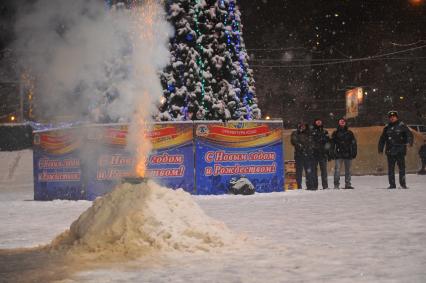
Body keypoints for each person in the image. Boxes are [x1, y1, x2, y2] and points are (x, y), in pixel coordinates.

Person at [378, 110, 414, 189]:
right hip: (390, 151)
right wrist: (380, 149)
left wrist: (409, 142)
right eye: (390, 117)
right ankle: (392, 185)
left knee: (402, 168)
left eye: (393, 117)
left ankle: (403, 184)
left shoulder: (402, 125)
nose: (392, 118)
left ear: (397, 117)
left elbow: (409, 135)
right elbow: (382, 139)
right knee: (391, 169)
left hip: (400, 150)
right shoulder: (387, 127)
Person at [331, 118, 357, 189]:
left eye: (343, 121)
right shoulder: (335, 133)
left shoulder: (350, 133)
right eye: (341, 121)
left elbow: (353, 143)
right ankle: (336, 185)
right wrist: (332, 152)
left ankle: (348, 184)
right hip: (338, 154)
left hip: (348, 154)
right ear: (338, 123)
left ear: (345, 123)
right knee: (337, 170)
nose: (342, 122)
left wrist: (354, 152)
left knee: (348, 170)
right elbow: (332, 144)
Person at [291, 123, 316, 190]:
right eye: (301, 126)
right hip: (299, 156)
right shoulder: (295, 133)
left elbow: (312, 143)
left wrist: (308, 148)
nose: (303, 127)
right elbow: (294, 141)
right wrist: (301, 146)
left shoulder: (309, 133)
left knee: (308, 171)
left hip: (307, 156)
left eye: (304, 126)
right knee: (299, 172)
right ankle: (298, 186)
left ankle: (310, 186)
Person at [311, 118, 331, 189]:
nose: (319, 122)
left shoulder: (325, 131)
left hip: (323, 154)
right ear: (315, 122)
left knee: (324, 171)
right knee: (313, 171)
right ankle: (314, 186)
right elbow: (310, 142)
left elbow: (328, 143)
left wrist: (328, 153)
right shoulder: (312, 131)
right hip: (314, 154)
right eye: (317, 121)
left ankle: (325, 186)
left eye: (320, 121)